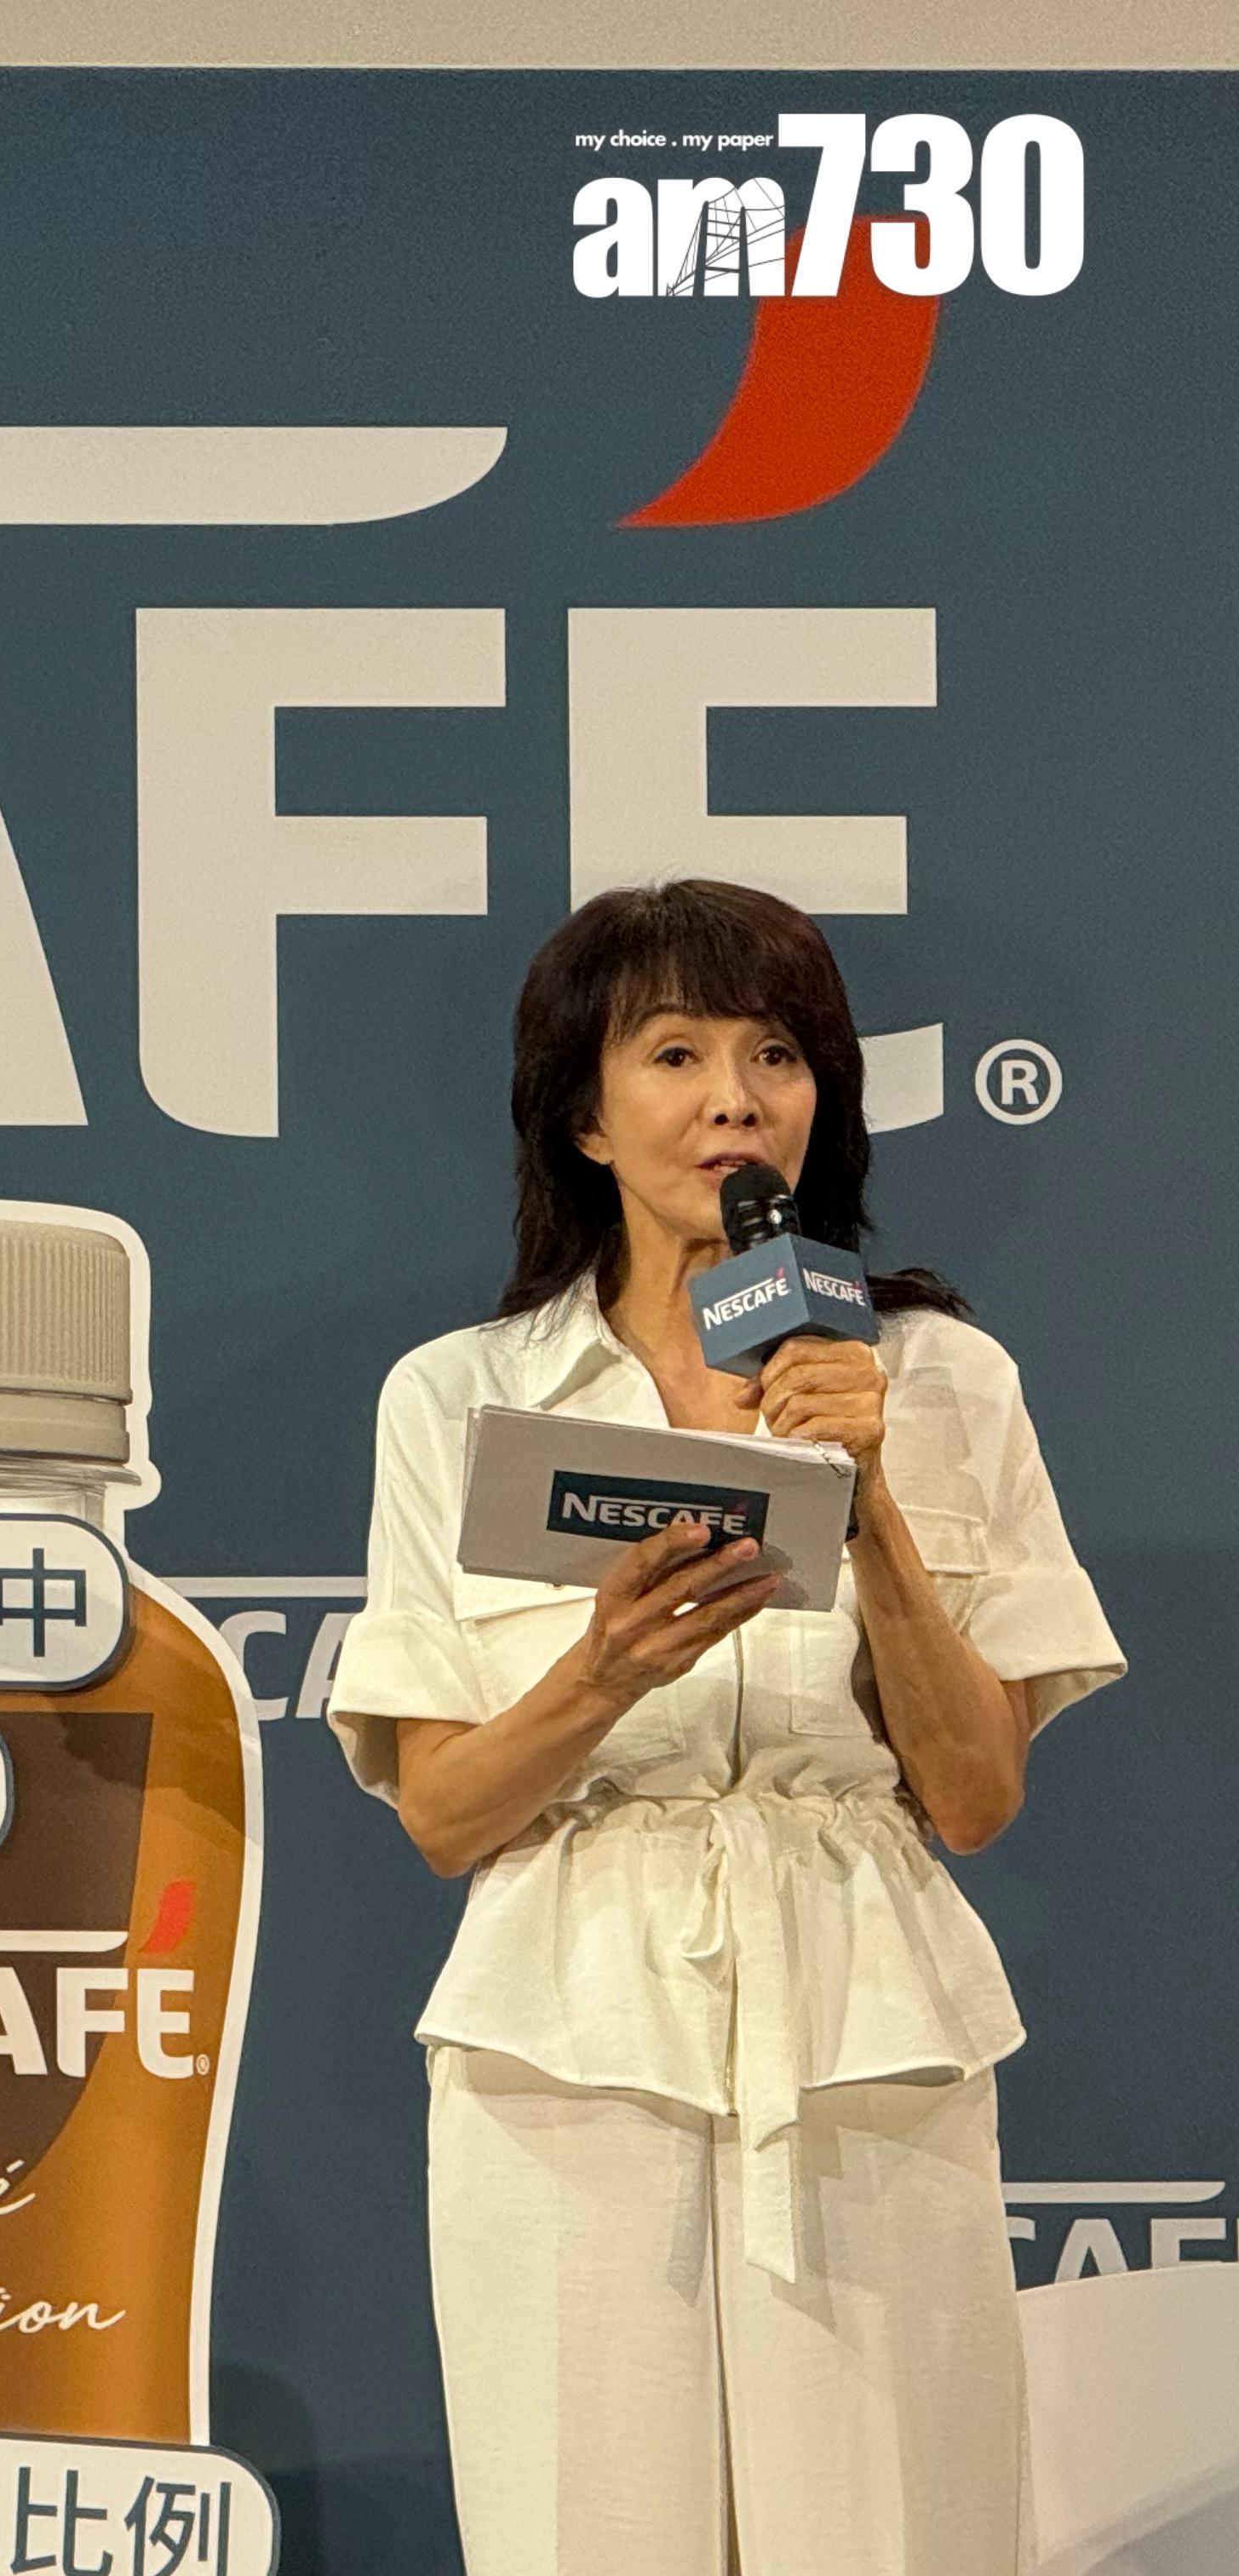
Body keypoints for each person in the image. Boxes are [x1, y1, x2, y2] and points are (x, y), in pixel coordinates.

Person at [325, 880, 1121, 2576]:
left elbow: (975, 1795)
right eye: (676, 1054)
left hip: (867, 2029)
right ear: (584, 1115)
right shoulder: (462, 1396)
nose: (735, 1101)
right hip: (565, 2040)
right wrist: (603, 1671)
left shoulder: (940, 1378)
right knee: (586, 2535)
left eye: (777, 1055)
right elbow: (445, 1817)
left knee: (897, 2536)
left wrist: (870, 1495)